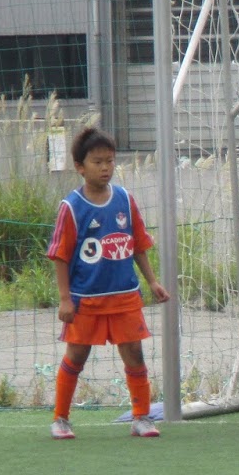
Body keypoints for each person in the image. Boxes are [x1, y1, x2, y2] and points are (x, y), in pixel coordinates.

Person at [47, 127, 170, 440]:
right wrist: (65, 298)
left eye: (110, 161)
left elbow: (138, 244)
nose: (105, 168)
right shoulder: (72, 207)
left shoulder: (125, 201)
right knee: (77, 356)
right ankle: (60, 418)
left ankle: (141, 417)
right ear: (80, 167)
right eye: (97, 162)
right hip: (86, 298)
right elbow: (60, 255)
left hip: (125, 296)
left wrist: (152, 281)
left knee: (135, 354)